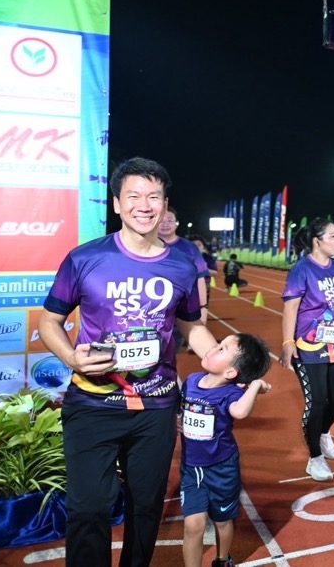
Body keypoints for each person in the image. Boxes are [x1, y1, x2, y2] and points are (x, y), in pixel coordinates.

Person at [38, 157, 220, 567]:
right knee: (88, 508)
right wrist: (70, 357)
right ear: (117, 204)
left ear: (165, 204)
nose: (144, 205)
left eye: (154, 196)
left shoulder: (182, 266)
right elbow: (50, 321)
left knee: (146, 507)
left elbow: (192, 326)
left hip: (155, 408)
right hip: (93, 403)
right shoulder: (84, 259)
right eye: (134, 196)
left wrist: (220, 359)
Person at [181, 333, 272, 567]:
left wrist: (255, 386)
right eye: (218, 344)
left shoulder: (232, 393)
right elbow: (180, 409)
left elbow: (240, 412)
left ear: (231, 372)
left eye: (221, 349)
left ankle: (222, 559)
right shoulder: (191, 381)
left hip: (222, 469)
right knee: (193, 525)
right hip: (191, 468)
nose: (212, 348)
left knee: (222, 521)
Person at [280, 219, 334, 482]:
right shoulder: (302, 270)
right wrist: (287, 342)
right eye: (333, 236)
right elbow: (291, 308)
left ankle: (323, 433)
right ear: (317, 240)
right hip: (308, 346)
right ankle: (315, 459)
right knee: (317, 401)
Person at [159, 207, 210, 322]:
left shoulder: (189, 248)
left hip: (185, 308)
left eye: (170, 220)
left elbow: (200, 278)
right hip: (157, 311)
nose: (165, 224)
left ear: (176, 223)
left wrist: (203, 307)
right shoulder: (146, 246)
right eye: (161, 220)